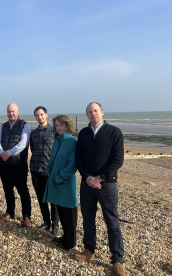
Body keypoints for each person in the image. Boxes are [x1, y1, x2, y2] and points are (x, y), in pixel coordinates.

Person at [74, 102, 126, 276]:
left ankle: (117, 259)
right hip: (87, 184)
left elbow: (118, 159)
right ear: (87, 116)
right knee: (88, 218)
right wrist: (88, 177)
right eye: (90, 112)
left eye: (95, 110)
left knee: (112, 221)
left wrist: (100, 177)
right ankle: (89, 249)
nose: (93, 114)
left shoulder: (114, 132)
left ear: (102, 112)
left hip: (108, 184)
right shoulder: (84, 133)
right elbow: (78, 158)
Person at [42, 115, 78, 250]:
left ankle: (70, 243)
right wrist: (49, 169)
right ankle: (64, 237)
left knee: (69, 214)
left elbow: (73, 164)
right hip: (55, 179)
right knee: (61, 212)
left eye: (61, 125)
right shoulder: (57, 140)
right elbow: (52, 158)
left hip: (66, 183)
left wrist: (60, 177)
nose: (58, 128)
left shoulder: (72, 142)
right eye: (56, 125)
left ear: (67, 126)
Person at [0, 103, 32, 227]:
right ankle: (10, 212)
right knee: (7, 190)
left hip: (19, 164)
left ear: (18, 111)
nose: (11, 114)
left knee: (23, 191)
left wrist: (9, 153)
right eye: (9, 112)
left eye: (13, 111)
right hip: (4, 164)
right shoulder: (3, 126)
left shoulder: (24, 125)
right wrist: (1, 152)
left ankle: (26, 216)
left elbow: (23, 143)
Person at [30, 106, 59, 235]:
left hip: (50, 171)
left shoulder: (54, 131)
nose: (39, 117)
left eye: (41, 114)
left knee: (53, 200)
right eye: (37, 115)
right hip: (36, 170)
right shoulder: (34, 133)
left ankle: (55, 227)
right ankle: (46, 223)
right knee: (41, 199)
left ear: (46, 115)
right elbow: (33, 148)